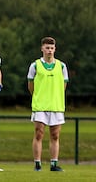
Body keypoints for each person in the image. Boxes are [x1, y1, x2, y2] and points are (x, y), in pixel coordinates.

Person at [28, 37, 68, 172]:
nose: (49, 51)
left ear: (55, 49)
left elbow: (64, 85)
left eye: (51, 48)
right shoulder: (35, 65)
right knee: (39, 133)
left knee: (55, 135)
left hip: (56, 105)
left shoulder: (62, 66)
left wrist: (55, 96)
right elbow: (30, 85)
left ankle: (53, 164)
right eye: (47, 48)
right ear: (42, 49)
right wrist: (39, 96)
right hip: (40, 105)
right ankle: (37, 164)